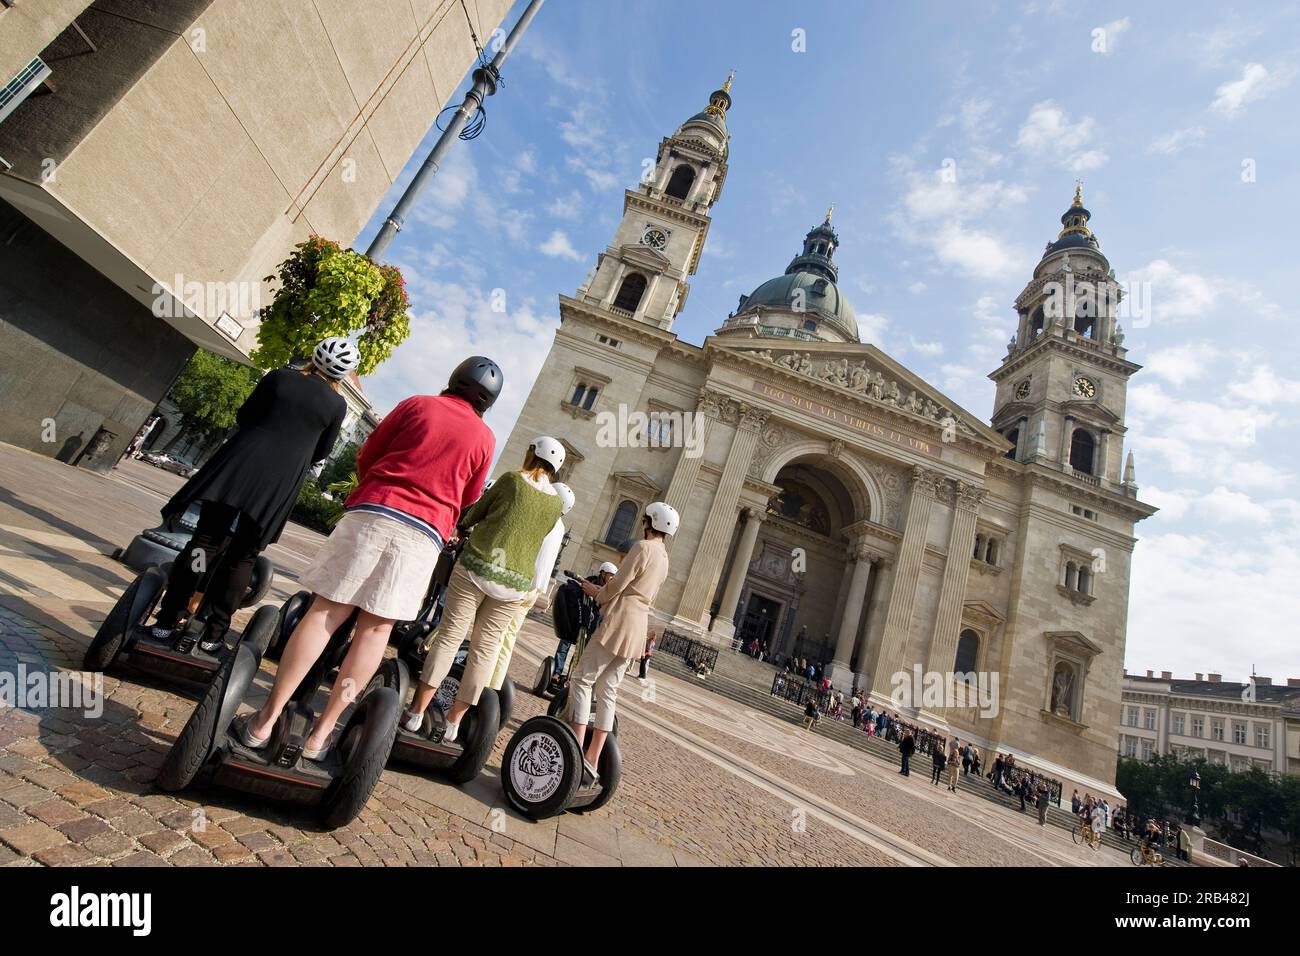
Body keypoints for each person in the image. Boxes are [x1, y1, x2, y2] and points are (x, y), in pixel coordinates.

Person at [240, 355, 500, 757]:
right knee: (375, 632)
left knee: (325, 613)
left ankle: (265, 721)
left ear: (454, 378)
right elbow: (469, 498)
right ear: (488, 401)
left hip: (376, 510)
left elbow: (368, 454)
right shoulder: (484, 439)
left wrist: (379, 487)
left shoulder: (418, 404)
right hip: (424, 535)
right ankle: (320, 736)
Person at [150, 339, 351, 652]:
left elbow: (245, 415)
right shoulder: (337, 406)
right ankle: (213, 635)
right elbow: (322, 452)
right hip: (277, 484)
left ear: (313, 357)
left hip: (238, 465)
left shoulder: (279, 377)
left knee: (204, 542)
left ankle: (167, 621)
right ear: (343, 374)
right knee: (243, 556)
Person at [403, 436, 569, 741]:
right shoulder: (556, 504)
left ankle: (416, 712)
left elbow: (475, 514)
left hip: (478, 566)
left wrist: (465, 524)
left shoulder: (511, 480)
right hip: (516, 584)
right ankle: (454, 723)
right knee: (485, 651)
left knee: (450, 636)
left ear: (532, 454)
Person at [570, 501, 675, 780]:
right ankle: (592, 757)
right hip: (638, 623)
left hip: (620, 618)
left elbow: (618, 584)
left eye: (645, 520)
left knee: (582, 678)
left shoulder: (642, 548)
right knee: (609, 691)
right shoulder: (664, 558)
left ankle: (574, 747)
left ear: (650, 522)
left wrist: (596, 592)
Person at [556, 561, 616, 675]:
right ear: (603, 574)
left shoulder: (609, 589)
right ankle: (556, 673)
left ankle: (571, 676)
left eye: (614, 576)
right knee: (565, 643)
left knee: (581, 651)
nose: (612, 578)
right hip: (578, 617)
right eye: (611, 575)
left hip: (591, 624)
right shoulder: (590, 580)